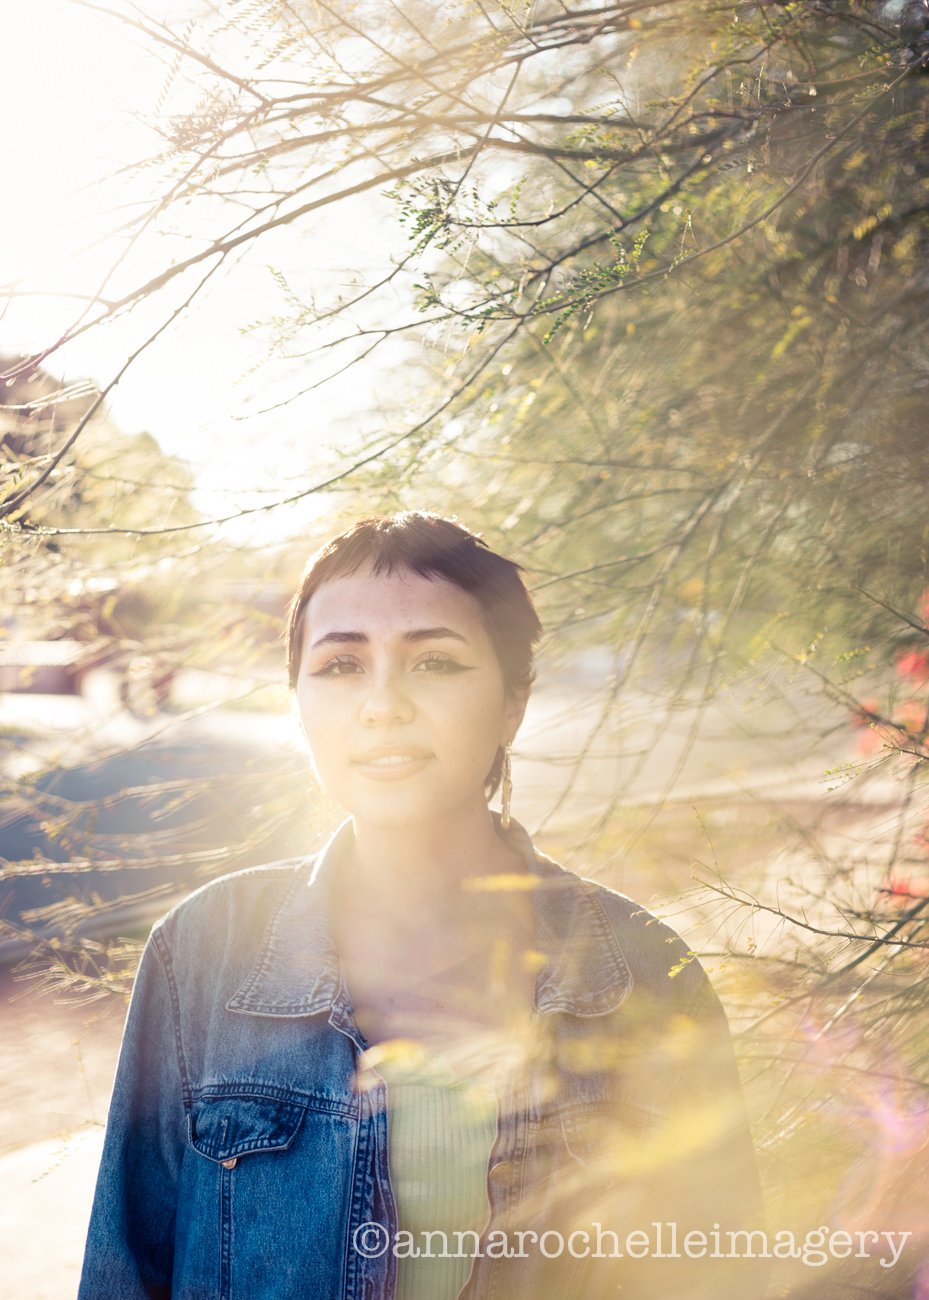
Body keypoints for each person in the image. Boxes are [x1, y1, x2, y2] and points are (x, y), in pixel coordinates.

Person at [78, 511, 766, 1300]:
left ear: (513, 700)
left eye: (434, 662)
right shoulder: (200, 953)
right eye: (340, 666)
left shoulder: (646, 973)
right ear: (297, 699)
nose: (382, 704)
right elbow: (123, 1278)